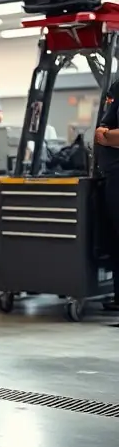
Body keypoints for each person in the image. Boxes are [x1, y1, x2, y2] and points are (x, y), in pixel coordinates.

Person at [94, 81, 119, 311]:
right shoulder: (117, 87)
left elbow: (107, 135)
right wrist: (107, 133)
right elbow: (102, 129)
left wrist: (108, 135)